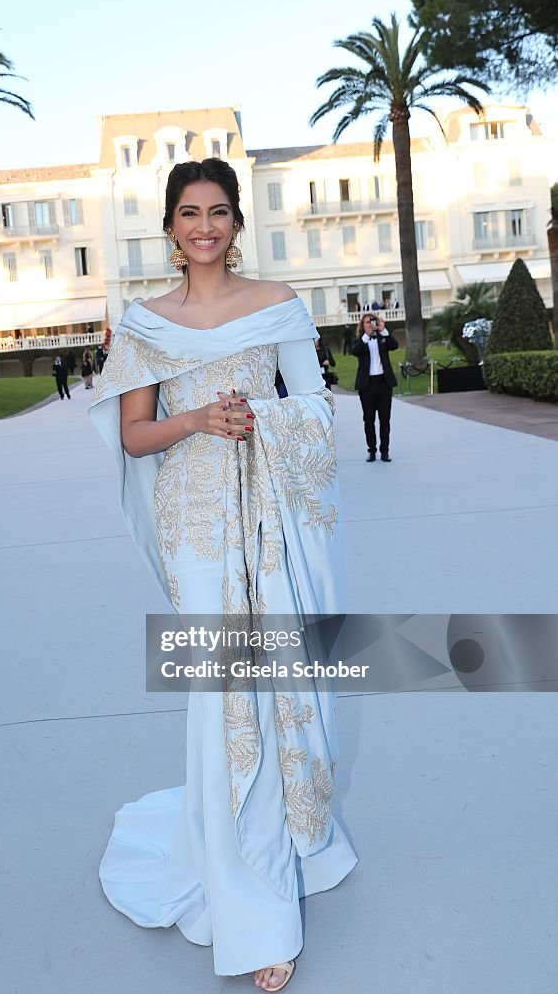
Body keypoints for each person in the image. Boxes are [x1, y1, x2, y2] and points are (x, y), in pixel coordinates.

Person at [87, 157, 357, 991]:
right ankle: (252, 908)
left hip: (268, 513)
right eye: (187, 212)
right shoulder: (143, 322)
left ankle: (266, 880)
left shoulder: (275, 305)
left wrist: (263, 420)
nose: (203, 225)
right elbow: (133, 436)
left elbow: (315, 406)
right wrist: (199, 419)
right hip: (195, 521)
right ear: (168, 227)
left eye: (217, 211)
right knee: (223, 704)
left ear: (236, 223)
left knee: (272, 687)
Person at [351, 312, 399, 461]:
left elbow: (394, 345)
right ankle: (371, 450)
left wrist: (383, 330)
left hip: (384, 384)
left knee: (385, 419)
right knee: (369, 420)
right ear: (362, 325)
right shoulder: (360, 341)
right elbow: (355, 351)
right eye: (367, 322)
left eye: (372, 321)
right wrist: (366, 336)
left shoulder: (383, 338)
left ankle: (385, 451)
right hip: (367, 385)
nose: (370, 324)